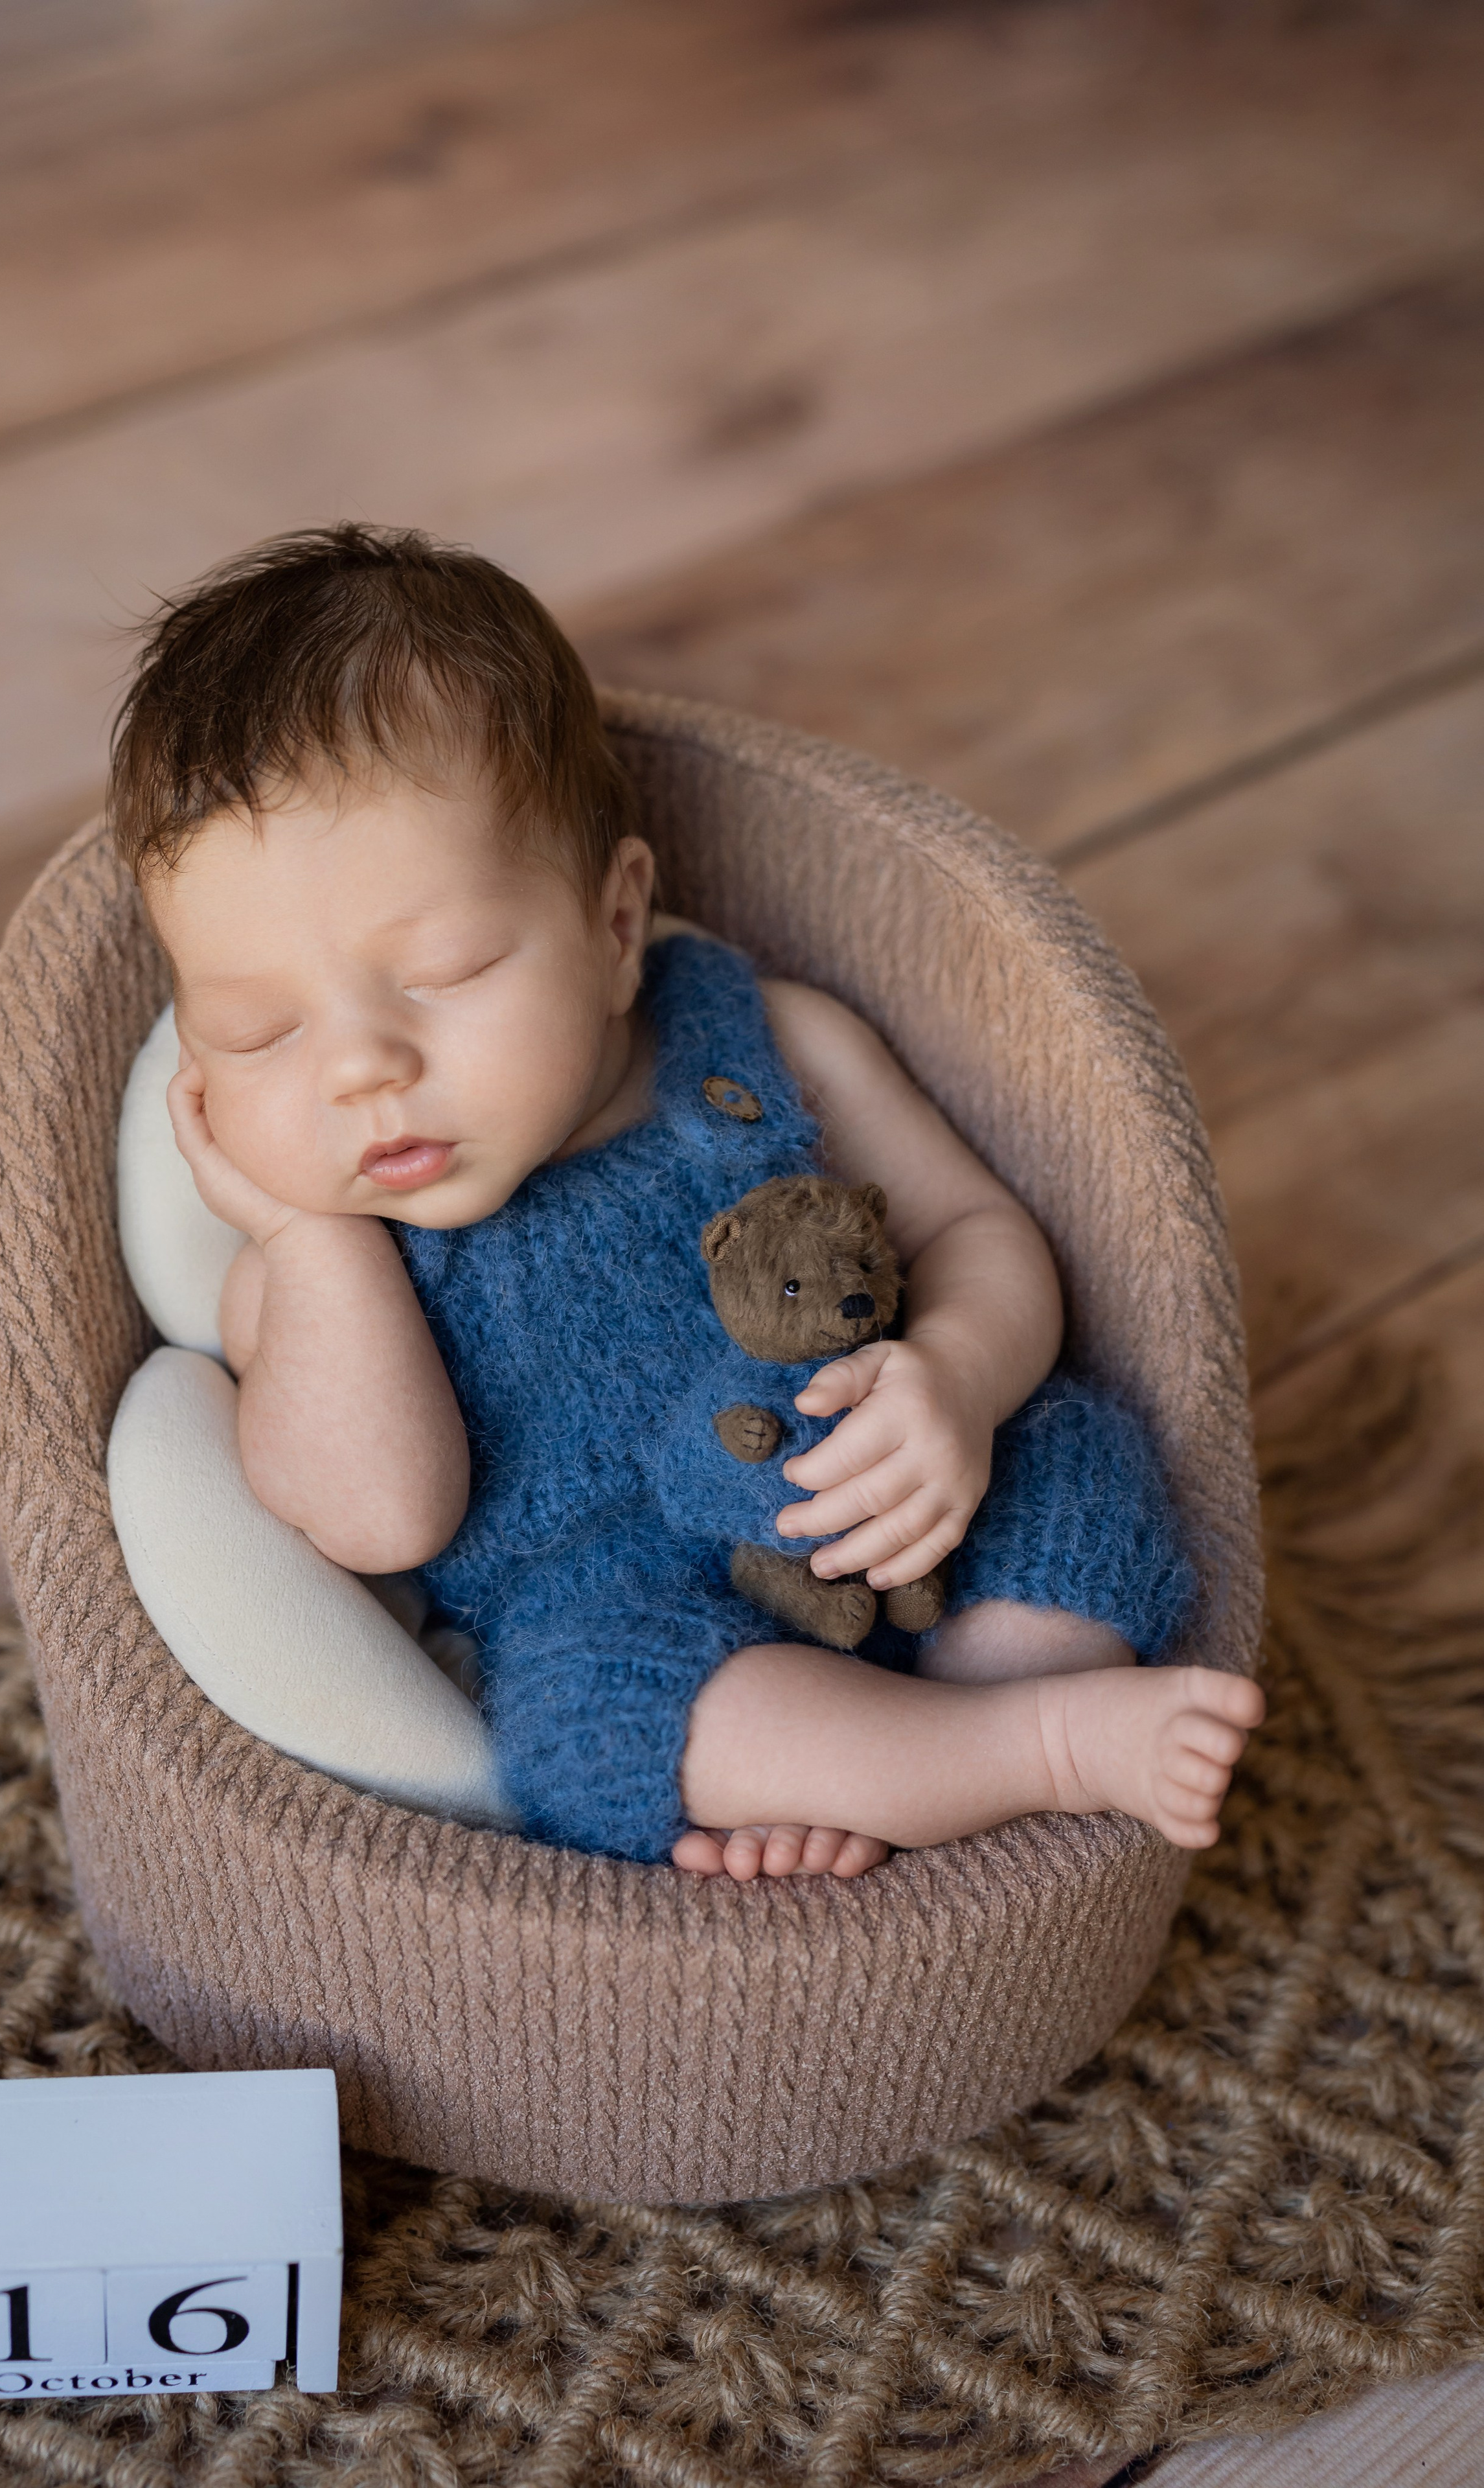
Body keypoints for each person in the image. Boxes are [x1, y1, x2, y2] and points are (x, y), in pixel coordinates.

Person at [109, 522, 1262, 1879]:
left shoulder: (770, 1041)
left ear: (613, 928)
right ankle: (1026, 1759)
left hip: (885, 1489)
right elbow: (384, 1520)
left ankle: (969, 1720)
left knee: (1071, 1454)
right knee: (592, 1706)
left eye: (443, 970)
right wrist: (306, 1239)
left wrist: (949, 1382)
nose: (363, 1070)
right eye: (255, 1035)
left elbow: (976, 1233)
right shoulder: (310, 1272)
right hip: (633, 1600)